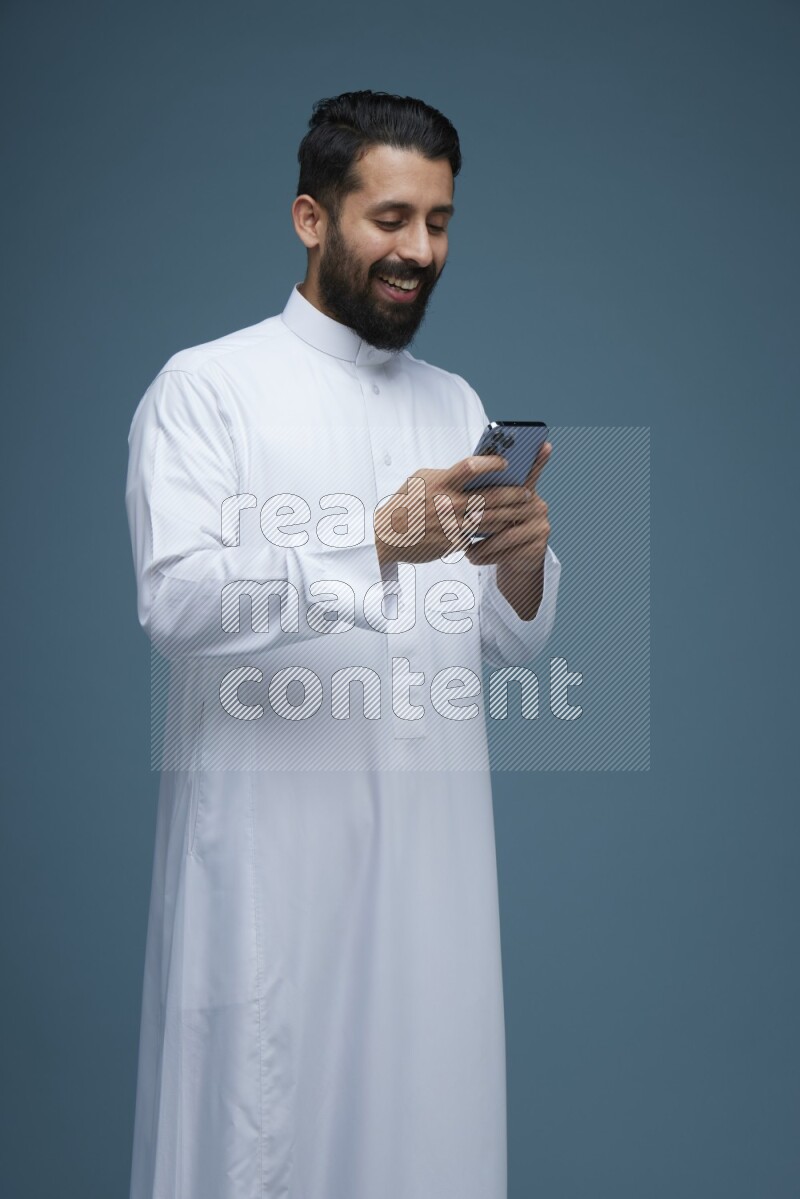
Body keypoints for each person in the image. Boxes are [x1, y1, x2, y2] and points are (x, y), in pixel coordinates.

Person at [125, 89, 561, 1199]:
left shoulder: (452, 397)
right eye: (391, 219)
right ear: (310, 219)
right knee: (260, 1145)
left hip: (435, 882)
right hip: (273, 878)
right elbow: (175, 602)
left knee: (432, 1146)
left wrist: (517, 557)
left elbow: (506, 644)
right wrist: (369, 543)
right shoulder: (207, 388)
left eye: (441, 221)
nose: (420, 250)